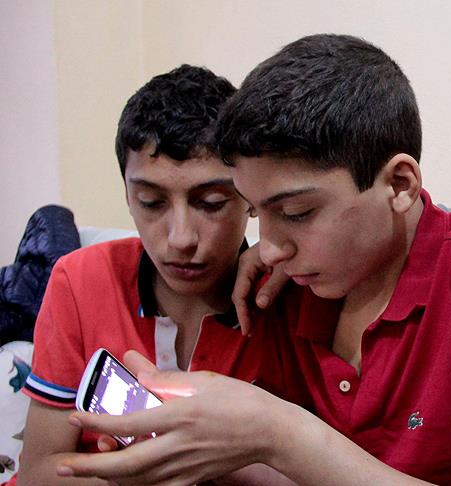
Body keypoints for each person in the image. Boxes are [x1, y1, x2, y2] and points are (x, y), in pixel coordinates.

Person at [55, 34, 451, 485]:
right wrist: (202, 452)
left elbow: (296, 449)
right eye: (256, 212)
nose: (270, 247)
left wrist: (279, 432)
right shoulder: (288, 287)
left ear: (399, 184)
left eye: (296, 213)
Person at [14, 65, 290, 485]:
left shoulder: (289, 292)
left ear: (251, 197)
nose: (180, 239)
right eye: (151, 201)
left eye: (211, 202)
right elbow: (37, 471)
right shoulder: (80, 279)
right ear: (127, 195)